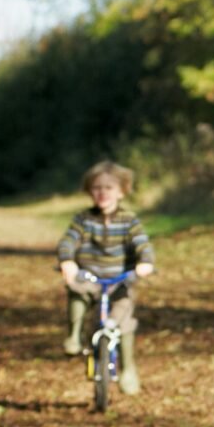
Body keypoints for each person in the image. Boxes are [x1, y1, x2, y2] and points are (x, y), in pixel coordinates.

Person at [56, 160, 156, 395]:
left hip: (120, 280)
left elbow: (142, 244)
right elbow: (67, 241)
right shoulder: (83, 219)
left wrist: (145, 263)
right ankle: (74, 335)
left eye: (108, 188)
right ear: (90, 191)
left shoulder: (129, 220)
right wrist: (67, 261)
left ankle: (128, 368)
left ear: (121, 191)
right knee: (76, 292)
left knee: (124, 316)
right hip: (88, 276)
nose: (102, 193)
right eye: (96, 188)